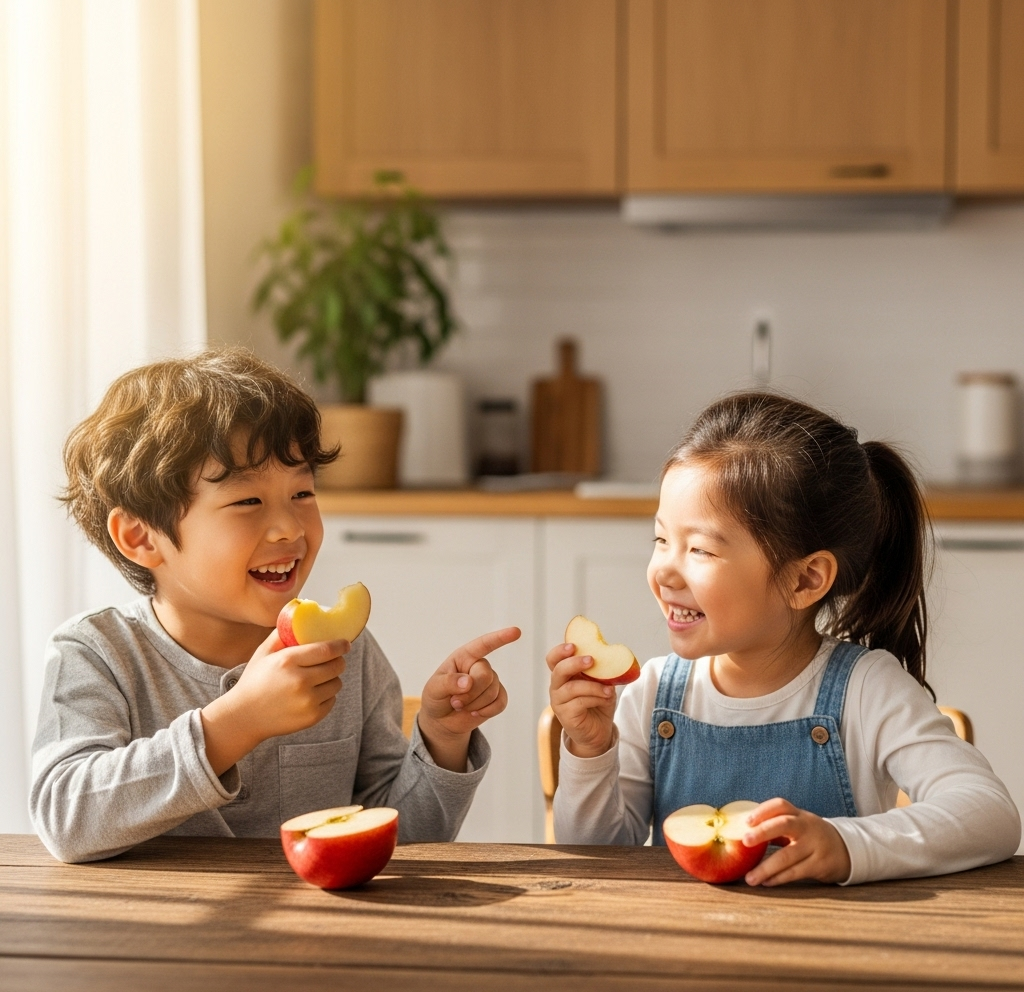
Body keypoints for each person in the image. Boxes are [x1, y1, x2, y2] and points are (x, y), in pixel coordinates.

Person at [31, 348, 519, 863]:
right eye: (247, 501)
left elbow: (402, 842)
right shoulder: (94, 653)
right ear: (140, 536)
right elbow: (67, 819)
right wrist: (236, 723)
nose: (290, 527)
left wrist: (442, 740)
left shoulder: (346, 652)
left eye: (302, 493)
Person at [548, 392, 1020, 886]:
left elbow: (989, 814)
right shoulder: (652, 694)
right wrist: (590, 750)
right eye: (662, 540)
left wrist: (847, 845)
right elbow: (597, 859)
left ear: (805, 581)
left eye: (701, 549)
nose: (663, 569)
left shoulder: (867, 689)